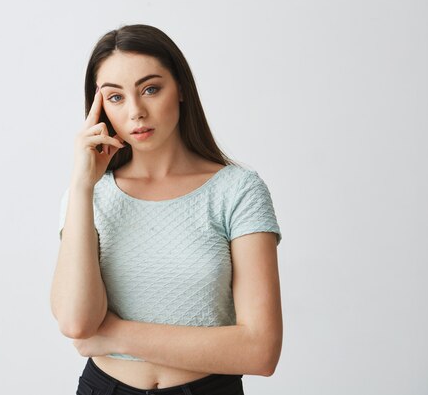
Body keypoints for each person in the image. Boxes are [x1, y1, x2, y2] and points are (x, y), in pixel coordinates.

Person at [51, 24, 283, 395]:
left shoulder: (237, 190)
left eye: (150, 89)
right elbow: (78, 324)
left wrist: (115, 334)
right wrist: (82, 187)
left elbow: (261, 351)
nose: (136, 112)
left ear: (181, 91)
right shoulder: (86, 196)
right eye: (115, 98)